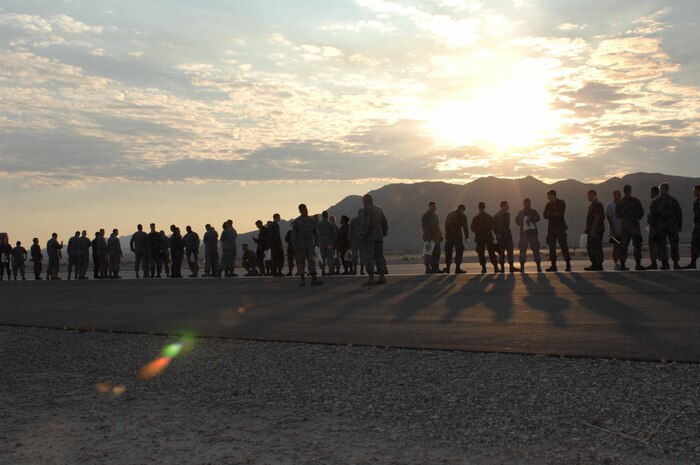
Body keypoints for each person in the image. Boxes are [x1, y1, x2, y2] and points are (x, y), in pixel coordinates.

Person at [649, 182, 683, 270]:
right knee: (674, 245)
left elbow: (652, 216)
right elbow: (679, 214)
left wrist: (653, 227)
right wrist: (679, 226)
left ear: (661, 189)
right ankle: (675, 263)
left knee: (662, 245)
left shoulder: (655, 201)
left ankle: (665, 264)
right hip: (672, 227)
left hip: (661, 228)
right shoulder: (674, 200)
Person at [360, 194, 388, 285]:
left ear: (366, 200)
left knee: (370, 257)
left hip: (370, 237)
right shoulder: (379, 209)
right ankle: (382, 276)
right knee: (379, 257)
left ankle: (371, 278)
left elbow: (366, 223)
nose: (362, 202)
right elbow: (384, 222)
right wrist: (383, 233)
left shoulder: (366, 209)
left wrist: (363, 235)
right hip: (379, 237)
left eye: (363, 200)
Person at [615, 184, 645, 271]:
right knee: (637, 244)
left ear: (624, 191)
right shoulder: (635, 201)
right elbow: (641, 213)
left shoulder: (620, 202)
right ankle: (638, 264)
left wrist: (625, 218)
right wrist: (635, 218)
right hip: (634, 225)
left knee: (624, 245)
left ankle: (623, 264)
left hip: (625, 226)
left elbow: (617, 214)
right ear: (630, 190)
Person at [292, 203, 322, 286]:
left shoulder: (311, 220)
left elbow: (315, 233)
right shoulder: (297, 221)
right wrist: (295, 246)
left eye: (306, 209)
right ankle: (302, 280)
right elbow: (294, 235)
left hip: (310, 245)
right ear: (300, 211)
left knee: (312, 261)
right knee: (301, 262)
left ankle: (314, 279)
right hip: (300, 246)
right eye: (304, 209)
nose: (306, 211)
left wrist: (317, 243)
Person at [543, 190, 571, 272]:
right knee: (552, 248)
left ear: (553, 195)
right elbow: (545, 215)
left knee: (564, 246)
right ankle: (553, 266)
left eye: (549, 196)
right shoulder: (548, 205)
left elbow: (560, 214)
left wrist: (551, 214)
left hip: (560, 228)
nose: (548, 198)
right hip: (551, 229)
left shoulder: (561, 203)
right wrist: (553, 214)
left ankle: (568, 265)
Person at [515, 198, 542, 273]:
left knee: (536, 250)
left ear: (530, 204)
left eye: (528, 203)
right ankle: (522, 267)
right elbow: (517, 221)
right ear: (524, 204)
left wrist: (531, 219)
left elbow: (538, 217)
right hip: (524, 235)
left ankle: (538, 266)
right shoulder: (521, 212)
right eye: (526, 203)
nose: (527, 204)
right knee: (523, 251)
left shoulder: (533, 212)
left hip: (532, 234)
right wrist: (524, 221)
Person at [471, 202, 499, 274]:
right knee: (491, 252)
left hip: (480, 237)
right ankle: (495, 267)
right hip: (488, 236)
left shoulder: (476, 217)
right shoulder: (489, 217)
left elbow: (472, 228)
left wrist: (479, 232)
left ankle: (484, 268)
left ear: (478, 207)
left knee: (481, 253)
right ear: (484, 207)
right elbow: (494, 226)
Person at [493, 201, 520, 273]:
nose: (508, 206)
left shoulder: (506, 214)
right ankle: (504, 267)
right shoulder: (499, 215)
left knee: (509, 251)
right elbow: (494, 226)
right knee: (503, 252)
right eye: (507, 205)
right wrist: (498, 234)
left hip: (506, 235)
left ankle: (509, 267)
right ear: (503, 206)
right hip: (502, 236)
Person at [443, 205, 469, 274]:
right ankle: (457, 268)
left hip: (449, 237)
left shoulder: (450, 214)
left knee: (448, 252)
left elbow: (446, 225)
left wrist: (448, 234)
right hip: (457, 236)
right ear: (462, 209)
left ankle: (448, 268)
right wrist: (466, 236)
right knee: (459, 252)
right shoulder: (462, 216)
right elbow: (465, 227)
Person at [585, 190, 605, 271]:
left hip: (597, 230)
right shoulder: (592, 205)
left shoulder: (597, 204)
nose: (588, 197)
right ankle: (594, 264)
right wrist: (587, 229)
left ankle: (598, 264)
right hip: (592, 230)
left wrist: (593, 229)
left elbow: (597, 217)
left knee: (596, 247)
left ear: (593, 194)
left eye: (589, 195)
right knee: (590, 247)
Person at [421, 201, 443, 274]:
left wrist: (440, 236)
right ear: (429, 207)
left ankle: (436, 268)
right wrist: (429, 237)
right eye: (433, 206)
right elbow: (425, 228)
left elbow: (438, 227)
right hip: (429, 238)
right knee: (428, 254)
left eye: (435, 206)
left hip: (436, 238)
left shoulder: (435, 216)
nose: (435, 207)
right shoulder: (425, 216)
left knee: (437, 253)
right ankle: (428, 268)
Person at [645, 187, 663, 270]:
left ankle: (654, 263)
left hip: (654, 227)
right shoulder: (663, 201)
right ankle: (664, 263)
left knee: (652, 245)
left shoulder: (654, 201)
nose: (650, 194)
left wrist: (649, 220)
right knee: (661, 245)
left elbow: (652, 215)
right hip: (662, 227)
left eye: (651, 192)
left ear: (654, 192)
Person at [684, 185, 700, 269]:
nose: (693, 192)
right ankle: (693, 263)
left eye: (695, 191)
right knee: (694, 245)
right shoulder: (695, 202)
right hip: (697, 227)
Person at [317, 211, 337, 276]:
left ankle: (323, 271)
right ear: (327, 216)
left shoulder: (319, 224)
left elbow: (317, 233)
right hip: (329, 243)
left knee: (322, 257)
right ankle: (330, 271)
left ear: (322, 216)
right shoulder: (330, 224)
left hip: (322, 243)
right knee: (329, 257)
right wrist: (334, 242)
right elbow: (334, 234)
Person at [606, 190, 623, 270]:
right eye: (617, 194)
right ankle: (616, 264)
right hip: (613, 231)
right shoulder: (610, 206)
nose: (619, 195)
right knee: (616, 247)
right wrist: (613, 229)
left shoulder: (623, 205)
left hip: (622, 230)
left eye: (620, 194)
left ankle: (622, 263)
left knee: (622, 247)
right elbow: (609, 218)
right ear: (614, 195)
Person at [348, 209, 365, 275]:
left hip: (361, 241)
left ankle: (361, 270)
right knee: (354, 256)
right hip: (355, 241)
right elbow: (350, 231)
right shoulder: (353, 221)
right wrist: (350, 240)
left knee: (362, 256)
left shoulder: (365, 221)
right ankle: (355, 270)